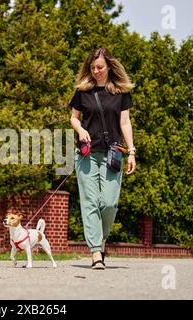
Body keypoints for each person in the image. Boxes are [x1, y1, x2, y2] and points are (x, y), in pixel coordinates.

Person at [69, 47, 136, 270]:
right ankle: (96, 252)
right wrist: (80, 131)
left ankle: (102, 240)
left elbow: (125, 123)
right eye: (92, 67)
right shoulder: (82, 91)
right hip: (87, 154)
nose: (96, 71)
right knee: (90, 202)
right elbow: (74, 118)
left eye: (100, 67)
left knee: (108, 202)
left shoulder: (120, 93)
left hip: (113, 153)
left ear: (109, 67)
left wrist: (132, 150)